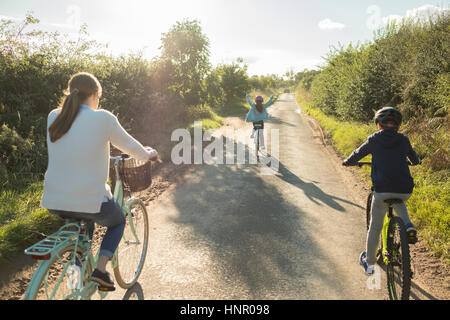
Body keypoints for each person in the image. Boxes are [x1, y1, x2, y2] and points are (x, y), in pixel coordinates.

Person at [41, 72, 158, 290]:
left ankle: (75, 282)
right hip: (89, 199)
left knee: (82, 227)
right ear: (95, 95)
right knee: (118, 220)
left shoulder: (53, 116)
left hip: (53, 199)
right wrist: (148, 154)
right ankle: (101, 271)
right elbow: (130, 146)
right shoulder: (103, 118)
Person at [342, 106, 421, 275]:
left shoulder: (374, 139)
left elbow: (358, 154)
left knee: (375, 227)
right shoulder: (404, 140)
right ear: (398, 126)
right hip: (404, 189)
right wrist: (413, 161)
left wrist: (348, 161)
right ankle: (408, 226)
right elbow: (414, 159)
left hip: (383, 190)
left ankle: (369, 264)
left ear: (379, 125)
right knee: (399, 201)